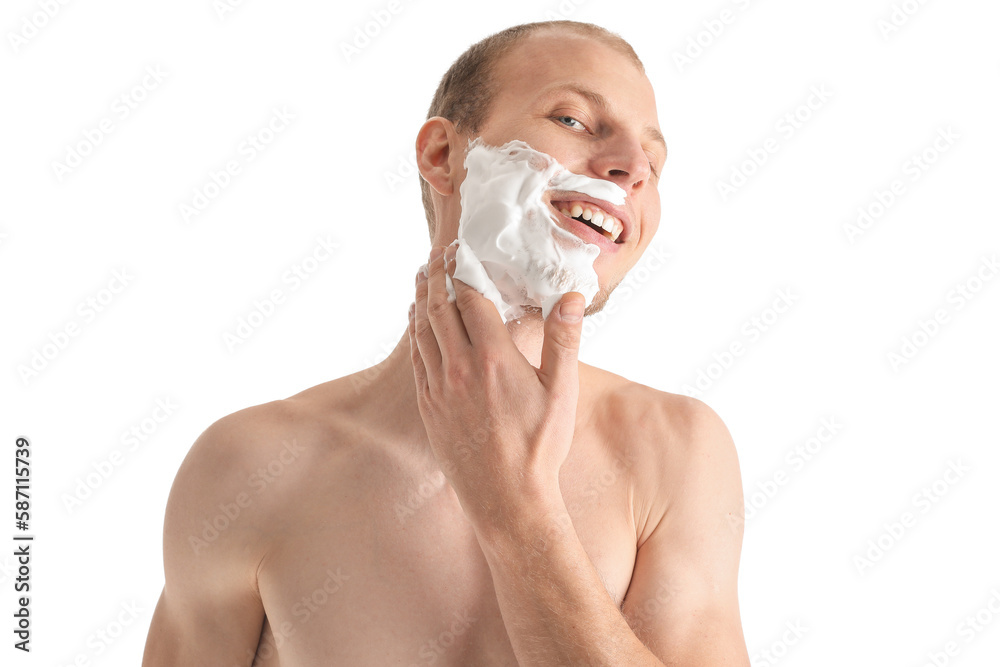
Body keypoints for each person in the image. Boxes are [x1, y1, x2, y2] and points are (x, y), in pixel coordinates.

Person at [143, 19, 750, 666]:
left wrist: (519, 510)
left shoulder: (674, 450)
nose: (631, 170)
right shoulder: (249, 466)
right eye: (573, 120)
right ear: (442, 156)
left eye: (653, 165)